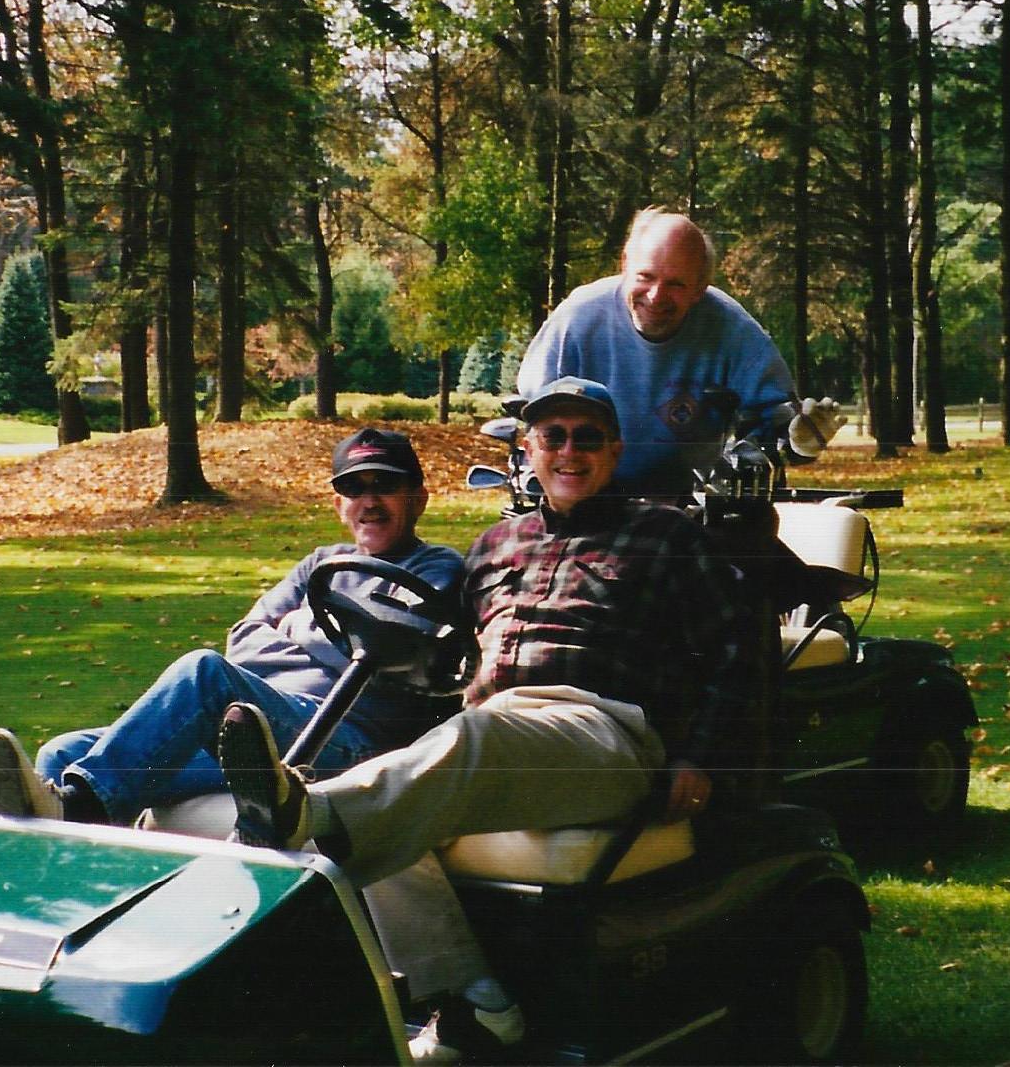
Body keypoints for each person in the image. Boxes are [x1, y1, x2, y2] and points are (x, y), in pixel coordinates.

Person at [219, 378, 749, 1063]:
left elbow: (736, 647)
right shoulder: (496, 545)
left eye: (587, 437)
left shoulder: (664, 535)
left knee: (447, 753)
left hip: (602, 733)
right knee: (388, 797)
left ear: (614, 450)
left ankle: (303, 814)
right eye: (551, 436)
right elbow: (437, 652)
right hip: (498, 730)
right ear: (527, 449)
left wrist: (697, 757)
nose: (568, 451)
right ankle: (474, 1000)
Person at [0, 427, 464, 826]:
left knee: (204, 673)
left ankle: (81, 806)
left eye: (385, 485)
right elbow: (244, 639)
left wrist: (299, 627)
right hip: (250, 736)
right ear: (338, 504)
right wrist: (337, 637)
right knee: (61, 753)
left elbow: (389, 652)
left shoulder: (435, 568)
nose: (369, 501)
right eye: (353, 488)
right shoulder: (322, 563)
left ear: (417, 498)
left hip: (345, 738)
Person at [516, 206, 846, 498]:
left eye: (676, 284)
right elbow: (533, 416)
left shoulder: (734, 331)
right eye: (645, 277)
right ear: (625, 265)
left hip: (692, 507)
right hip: (586, 499)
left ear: (701, 287)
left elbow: (774, 427)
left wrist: (798, 441)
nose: (656, 296)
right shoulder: (577, 319)